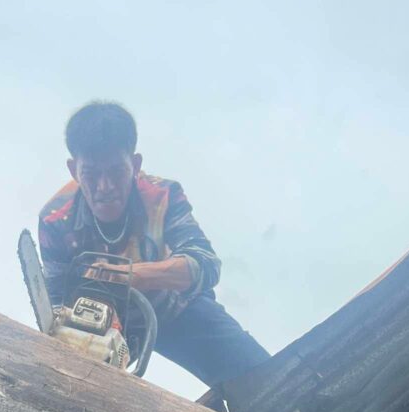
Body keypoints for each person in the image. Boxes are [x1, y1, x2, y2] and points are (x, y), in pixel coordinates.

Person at [38, 101, 270, 389]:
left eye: (116, 172)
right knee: (65, 385)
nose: (105, 186)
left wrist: (133, 276)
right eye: (92, 174)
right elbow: (54, 302)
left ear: (135, 165)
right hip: (102, 326)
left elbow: (205, 264)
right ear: (74, 170)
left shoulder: (163, 195)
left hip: (177, 310)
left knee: (261, 376)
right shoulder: (55, 220)